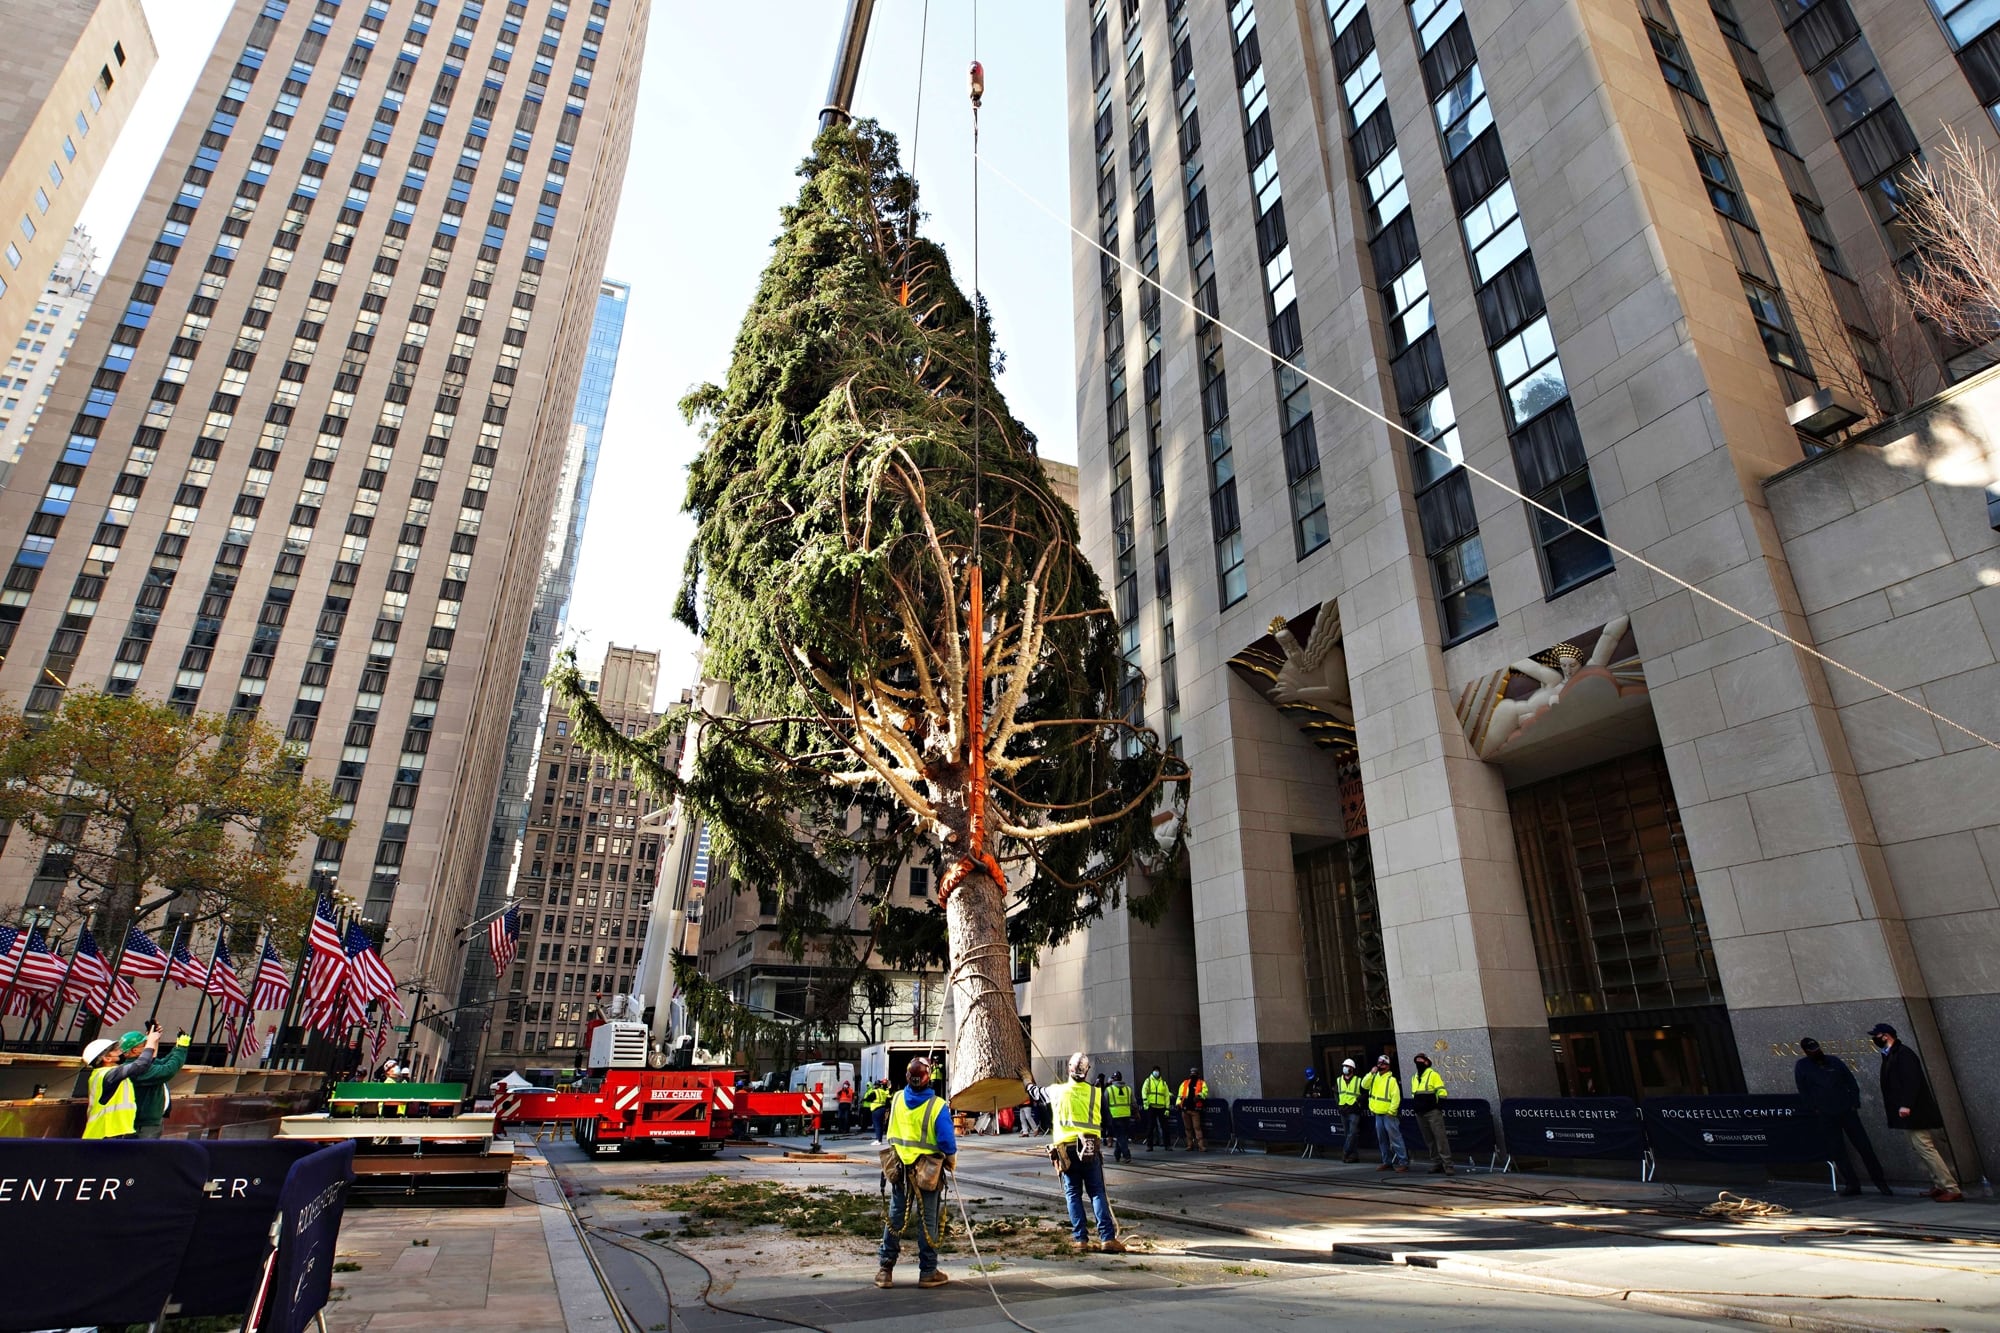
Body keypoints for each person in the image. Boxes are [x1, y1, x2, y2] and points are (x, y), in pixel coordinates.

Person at [875, 1056, 954, 1289]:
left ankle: (885, 1270)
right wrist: (951, 1159)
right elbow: (947, 1141)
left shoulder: (897, 1098)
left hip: (900, 1169)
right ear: (929, 1079)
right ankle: (928, 1272)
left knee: (895, 1218)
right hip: (927, 1171)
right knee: (928, 1220)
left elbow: (892, 1131)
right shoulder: (937, 1106)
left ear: (908, 1077)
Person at [1870, 1023, 1961, 1202]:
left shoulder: (1903, 1054)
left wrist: (1906, 1105)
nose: (1875, 1039)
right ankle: (1939, 1184)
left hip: (1915, 1112)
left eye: (1877, 1035)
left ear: (1886, 1036)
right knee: (1920, 1148)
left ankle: (1951, 1187)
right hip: (1908, 1112)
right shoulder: (1891, 1054)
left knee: (1925, 1147)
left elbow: (1912, 1081)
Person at [1046, 1053, 1126, 1254]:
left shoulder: (1057, 1091)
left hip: (1066, 1150)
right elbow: (1107, 1121)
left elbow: (1035, 1092)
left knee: (1073, 1194)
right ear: (1087, 1071)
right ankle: (1107, 1238)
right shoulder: (1096, 1093)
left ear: (1069, 1070)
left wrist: (1027, 1081)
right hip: (1090, 1147)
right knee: (1097, 1193)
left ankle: (1080, 1239)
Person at [1794, 1037, 1890, 1197]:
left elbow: (1850, 1081)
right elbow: (1803, 1090)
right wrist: (1814, 1108)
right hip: (1826, 1113)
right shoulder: (1802, 1066)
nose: (1816, 1051)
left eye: (1816, 1048)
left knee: (1864, 1147)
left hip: (1846, 1110)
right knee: (1838, 1150)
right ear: (1805, 1051)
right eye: (1811, 1050)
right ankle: (1852, 1184)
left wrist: (1853, 1102)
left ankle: (1880, 1182)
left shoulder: (1833, 1061)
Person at [80, 1025, 160, 1139]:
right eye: (115, 1050)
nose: (120, 1051)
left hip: (113, 1133)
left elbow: (147, 1063)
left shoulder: (107, 1073)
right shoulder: (108, 1075)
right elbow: (141, 1065)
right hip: (104, 1134)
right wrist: (150, 1042)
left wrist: (152, 1041)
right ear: (107, 1059)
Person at [131, 1026, 192, 1139]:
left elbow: (164, 1062)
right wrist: (181, 1048)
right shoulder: (137, 1068)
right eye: (145, 1044)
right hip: (143, 1124)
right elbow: (168, 1070)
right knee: (143, 1154)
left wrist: (178, 1047)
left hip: (148, 1122)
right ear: (134, 1050)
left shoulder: (142, 1065)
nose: (149, 1046)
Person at [1409, 1053, 1453, 1174]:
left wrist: (1438, 1106)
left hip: (1432, 1111)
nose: (1418, 1063)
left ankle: (1448, 1165)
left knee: (1440, 1138)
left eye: (1420, 1061)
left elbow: (1441, 1091)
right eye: (1416, 1061)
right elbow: (1414, 1094)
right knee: (1429, 1139)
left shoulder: (1433, 1075)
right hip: (1420, 1112)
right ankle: (1436, 1163)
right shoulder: (1414, 1077)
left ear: (1427, 1062)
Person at [1364, 1055, 1407, 1172]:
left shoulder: (1391, 1080)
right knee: (1382, 1139)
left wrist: (1391, 1111)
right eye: (1379, 1063)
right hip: (1378, 1113)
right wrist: (1371, 1073)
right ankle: (1387, 1162)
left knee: (1395, 1138)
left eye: (1383, 1064)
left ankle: (1403, 1162)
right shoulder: (1374, 1077)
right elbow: (1364, 1085)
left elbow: (1396, 1098)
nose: (1380, 1066)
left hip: (1389, 1115)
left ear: (1388, 1066)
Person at [1336, 1059, 1364, 1163]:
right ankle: (1353, 1155)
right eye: (1344, 1066)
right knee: (1348, 1134)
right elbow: (1336, 1093)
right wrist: (1338, 1104)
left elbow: (1364, 1093)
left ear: (1352, 1068)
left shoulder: (1358, 1080)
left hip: (1354, 1110)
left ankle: (1345, 1152)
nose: (1345, 1068)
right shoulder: (1339, 1080)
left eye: (1347, 1066)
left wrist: (1358, 1101)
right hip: (1343, 1110)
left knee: (1352, 1133)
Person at [1104, 1070, 1135, 1163]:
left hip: (1115, 1116)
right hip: (1126, 1116)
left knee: (1121, 1136)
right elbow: (1133, 1102)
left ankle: (1126, 1155)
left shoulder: (1109, 1089)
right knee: (1122, 1136)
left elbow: (1104, 1104)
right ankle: (1117, 1154)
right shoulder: (1128, 1089)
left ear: (1113, 1079)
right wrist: (1136, 1113)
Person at [1141, 1065, 1173, 1150]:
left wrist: (1167, 1108)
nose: (1156, 1072)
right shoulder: (1148, 1081)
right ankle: (1149, 1145)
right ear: (1152, 1072)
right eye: (1155, 1070)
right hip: (1152, 1106)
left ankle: (1167, 1145)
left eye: (1157, 1071)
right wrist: (1145, 1102)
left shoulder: (1163, 1083)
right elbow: (1144, 1091)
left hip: (1161, 1107)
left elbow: (1166, 1096)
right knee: (1151, 1127)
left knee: (1165, 1127)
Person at [1177, 1066, 1209, 1152]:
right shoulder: (1185, 1083)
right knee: (1187, 1128)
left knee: (1197, 1127)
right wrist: (1178, 1104)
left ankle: (1201, 1146)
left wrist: (1199, 1096)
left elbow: (1205, 1092)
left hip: (1195, 1109)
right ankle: (1189, 1145)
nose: (1193, 1074)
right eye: (1192, 1073)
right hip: (1185, 1108)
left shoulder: (1201, 1083)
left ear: (1197, 1074)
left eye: (1194, 1073)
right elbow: (1180, 1095)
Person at [868, 1078, 893, 1143]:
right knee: (881, 1125)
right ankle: (880, 1139)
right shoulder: (883, 1092)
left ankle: (878, 1140)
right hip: (883, 1108)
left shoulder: (875, 1091)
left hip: (876, 1109)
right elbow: (888, 1097)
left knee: (877, 1125)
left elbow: (869, 1098)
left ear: (876, 1085)